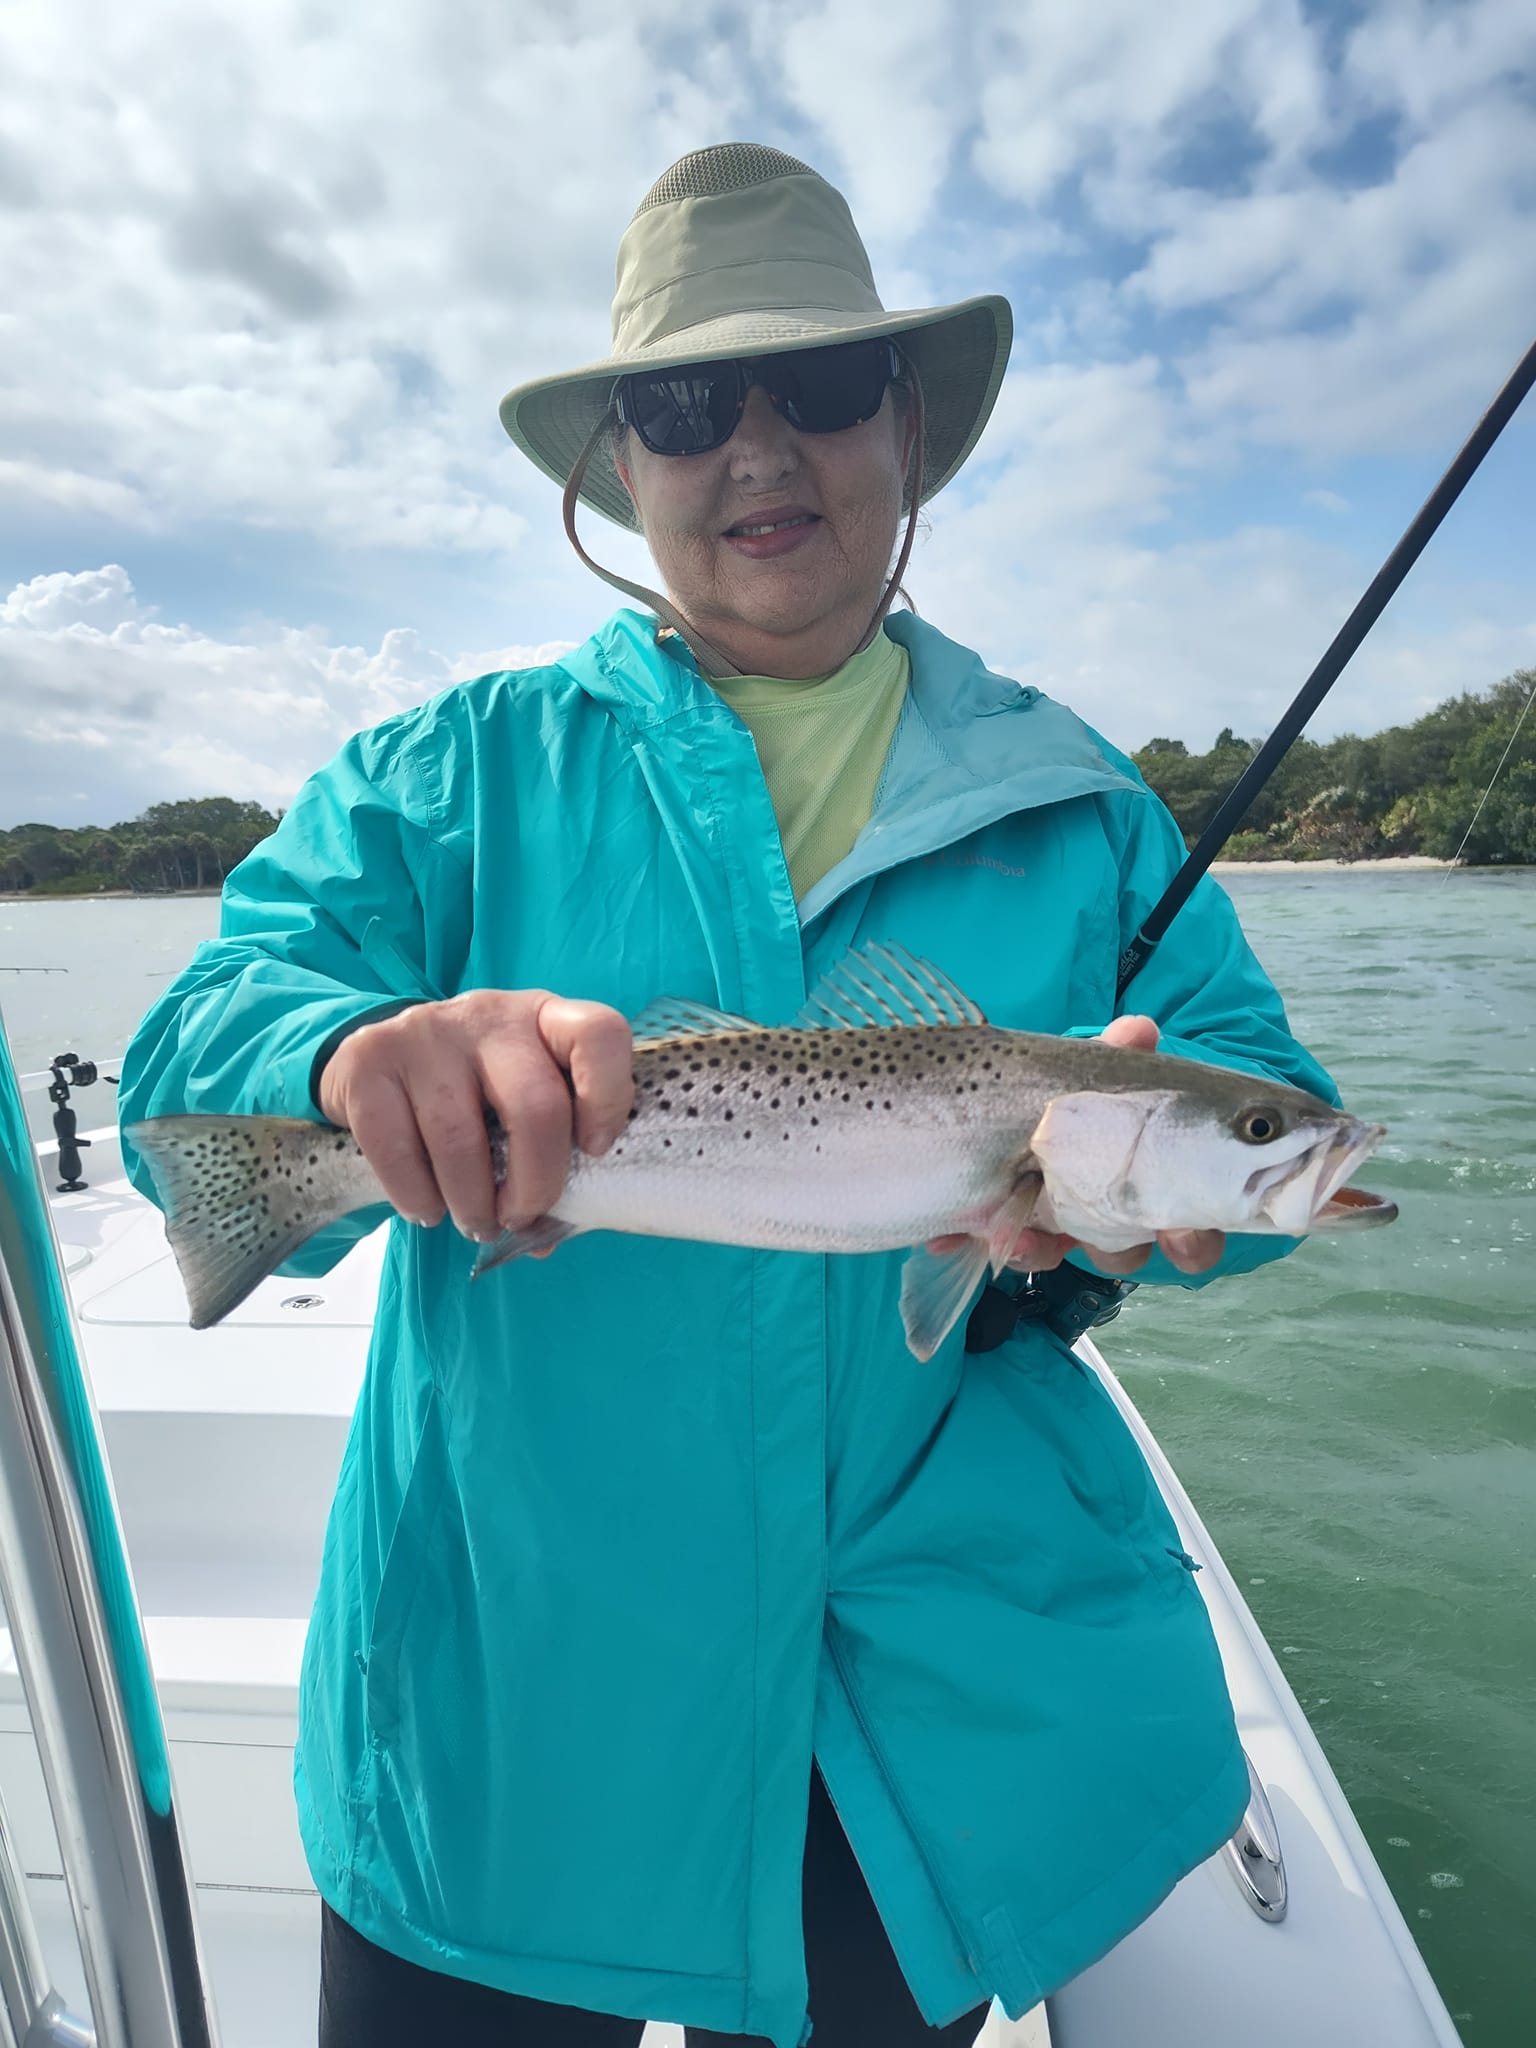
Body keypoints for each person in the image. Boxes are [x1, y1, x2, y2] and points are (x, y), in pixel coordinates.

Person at [120, 144, 1339, 2048]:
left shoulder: (1089, 808)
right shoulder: (449, 771)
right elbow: (202, 1025)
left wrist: (1121, 1230)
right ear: (623, 465)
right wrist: (343, 1062)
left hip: (920, 1719)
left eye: (824, 389)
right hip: (513, 1704)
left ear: (908, 426)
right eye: (691, 405)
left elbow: (1260, 1117)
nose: (759, 447)